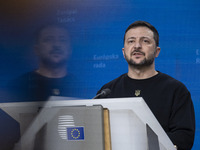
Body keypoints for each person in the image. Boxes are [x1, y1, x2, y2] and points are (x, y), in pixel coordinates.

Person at [96, 21, 195, 150]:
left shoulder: (176, 90)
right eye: (131, 41)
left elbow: (184, 138)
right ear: (123, 51)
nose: (137, 46)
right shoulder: (107, 91)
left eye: (145, 41)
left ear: (157, 51)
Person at [6, 24, 79, 102]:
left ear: (70, 50)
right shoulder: (18, 87)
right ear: (36, 49)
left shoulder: (79, 87)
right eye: (49, 39)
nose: (56, 45)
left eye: (62, 40)